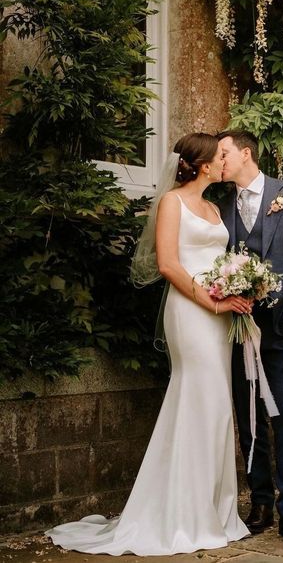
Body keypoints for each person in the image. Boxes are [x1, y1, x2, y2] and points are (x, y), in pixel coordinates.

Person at [45, 133, 251, 556]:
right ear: (203, 164)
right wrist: (212, 301)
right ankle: (183, 515)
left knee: (215, 405)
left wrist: (235, 286)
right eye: (218, 156)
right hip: (191, 312)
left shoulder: (214, 207)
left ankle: (213, 509)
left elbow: (220, 260)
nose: (223, 162)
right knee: (199, 395)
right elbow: (167, 264)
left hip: (218, 313)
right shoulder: (171, 203)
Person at [217, 130, 283, 546]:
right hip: (239, 329)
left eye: (223, 153)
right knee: (248, 416)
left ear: (246, 154)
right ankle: (259, 501)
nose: (218, 160)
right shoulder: (219, 205)